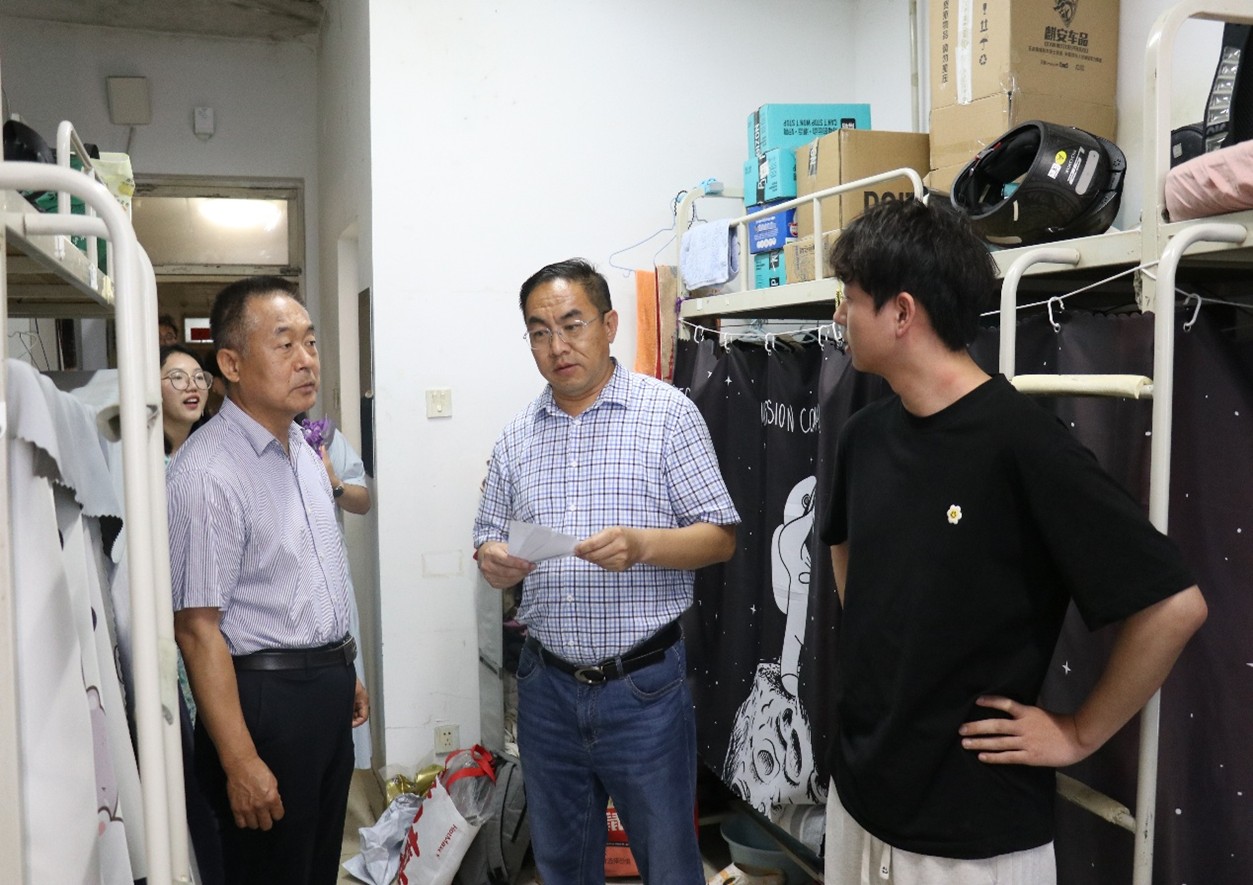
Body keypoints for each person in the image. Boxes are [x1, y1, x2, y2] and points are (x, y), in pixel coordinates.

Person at [817, 198, 1208, 884]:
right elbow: (845, 548)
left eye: (848, 298)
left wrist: (1078, 732)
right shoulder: (863, 436)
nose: (839, 316)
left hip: (972, 835)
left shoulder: (1023, 444)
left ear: (901, 313)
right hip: (859, 797)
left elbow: (1174, 606)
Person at [474, 258, 740, 885]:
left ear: (610, 324)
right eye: (540, 332)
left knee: (669, 864)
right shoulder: (516, 438)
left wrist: (643, 546)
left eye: (572, 325)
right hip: (546, 687)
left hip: (642, 688)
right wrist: (493, 560)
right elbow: (487, 538)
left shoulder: (668, 415)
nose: (557, 346)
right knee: (562, 865)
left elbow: (721, 538)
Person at [167, 276, 369, 885]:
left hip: (323, 690)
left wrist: (341, 668)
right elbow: (197, 631)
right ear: (231, 364)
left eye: (310, 342)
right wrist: (239, 760)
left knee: (315, 866)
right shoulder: (208, 473)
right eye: (284, 345)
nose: (306, 359)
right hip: (262, 704)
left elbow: (308, 572)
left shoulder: (302, 449)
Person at [159, 344, 211, 457]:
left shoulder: (214, 448)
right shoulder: (134, 452)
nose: (193, 386)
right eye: (178, 377)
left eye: (199, 377)